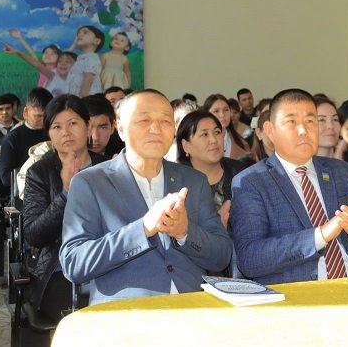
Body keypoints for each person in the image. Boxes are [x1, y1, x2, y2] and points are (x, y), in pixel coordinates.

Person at [59, 89, 232, 305]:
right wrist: (142, 229)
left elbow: (222, 256)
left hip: (191, 305)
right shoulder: (90, 182)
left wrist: (185, 232)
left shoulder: (194, 181)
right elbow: (74, 263)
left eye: (165, 121)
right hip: (127, 310)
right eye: (144, 120)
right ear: (121, 129)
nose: (156, 129)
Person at [230, 89, 348, 285]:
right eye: (291, 122)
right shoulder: (251, 182)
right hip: (296, 296)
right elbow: (250, 258)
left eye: (310, 121)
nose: (303, 130)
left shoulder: (342, 172)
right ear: (270, 130)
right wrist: (319, 236)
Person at [23, 94, 110, 321]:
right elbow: (33, 235)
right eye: (57, 127)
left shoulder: (109, 168)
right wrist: (66, 193)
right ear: (49, 134)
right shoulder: (39, 173)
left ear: (87, 126)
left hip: (108, 264)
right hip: (59, 270)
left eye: (73, 123)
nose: (66, 132)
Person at [176, 111, 247, 230]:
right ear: (186, 146)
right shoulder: (177, 183)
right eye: (204, 134)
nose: (214, 140)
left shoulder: (242, 173)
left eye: (217, 132)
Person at [0, 87, 53, 190]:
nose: (43, 121)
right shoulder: (12, 139)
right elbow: (6, 178)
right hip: (26, 192)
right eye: (38, 116)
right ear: (25, 112)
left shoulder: (54, 133)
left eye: (47, 116)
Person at [203, 94, 250, 159]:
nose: (222, 115)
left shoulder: (242, 144)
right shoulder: (199, 143)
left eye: (226, 110)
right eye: (216, 111)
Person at [67, 25, 105, 97]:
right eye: (78, 33)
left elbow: (88, 79)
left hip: (84, 98)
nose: (79, 35)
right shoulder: (80, 58)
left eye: (85, 32)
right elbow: (65, 57)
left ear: (96, 41)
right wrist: (74, 45)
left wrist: (82, 97)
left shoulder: (92, 58)